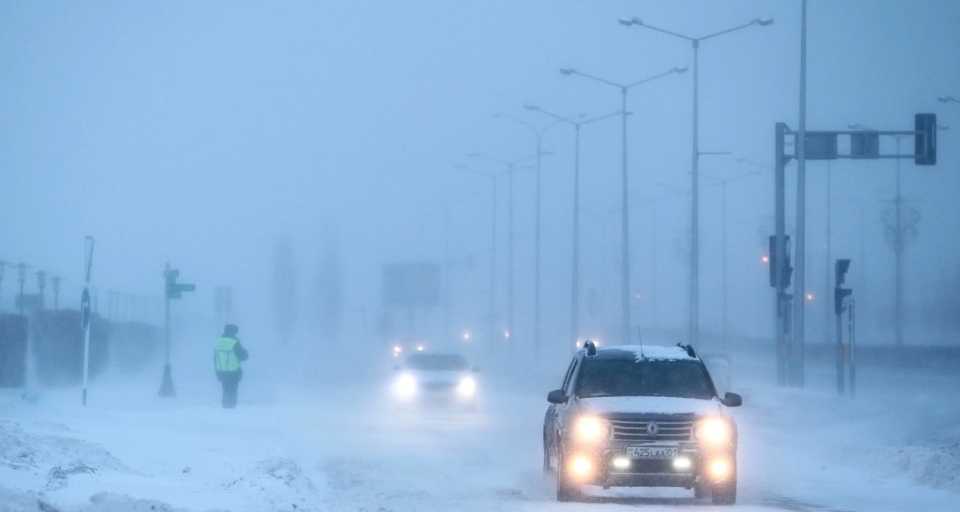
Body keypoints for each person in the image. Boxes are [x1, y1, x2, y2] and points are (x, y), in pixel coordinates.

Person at [214, 324, 249, 408]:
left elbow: (214, 358)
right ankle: (231, 405)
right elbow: (243, 356)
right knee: (233, 388)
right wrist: (245, 352)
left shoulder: (218, 342)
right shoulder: (235, 343)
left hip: (221, 369)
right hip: (233, 369)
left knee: (225, 387)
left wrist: (217, 370)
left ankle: (225, 403)